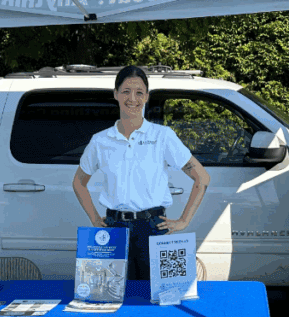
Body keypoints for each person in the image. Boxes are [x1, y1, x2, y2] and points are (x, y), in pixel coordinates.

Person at [72, 66, 211, 281]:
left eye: (139, 92)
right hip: (114, 229)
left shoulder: (162, 136)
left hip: (154, 228)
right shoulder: (101, 141)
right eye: (126, 91)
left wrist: (184, 220)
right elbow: (79, 182)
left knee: (162, 298)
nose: (132, 98)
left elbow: (201, 178)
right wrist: (93, 217)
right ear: (115, 94)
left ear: (146, 97)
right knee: (112, 295)